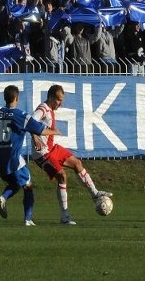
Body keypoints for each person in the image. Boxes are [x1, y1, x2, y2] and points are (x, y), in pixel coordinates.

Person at [0, 85, 60, 226]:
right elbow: (39, 129)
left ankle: (3, 197)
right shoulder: (20, 115)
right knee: (28, 185)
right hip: (13, 157)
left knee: (15, 183)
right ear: (16, 98)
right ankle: (28, 219)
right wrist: (54, 132)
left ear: (5, 98)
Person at [31, 84, 113, 225]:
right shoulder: (43, 108)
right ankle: (65, 216)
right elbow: (30, 121)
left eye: (62, 100)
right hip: (42, 153)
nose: (60, 103)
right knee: (62, 176)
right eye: (58, 100)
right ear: (50, 97)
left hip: (51, 148)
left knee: (77, 163)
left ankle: (95, 194)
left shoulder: (50, 109)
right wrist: (35, 137)